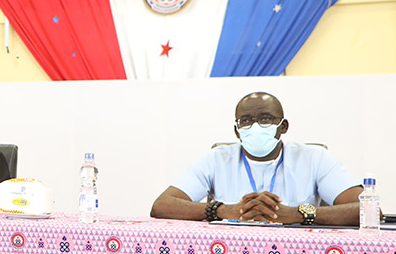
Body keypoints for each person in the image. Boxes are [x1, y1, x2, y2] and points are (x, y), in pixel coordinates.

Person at [151, 92, 361, 225]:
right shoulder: (216, 159)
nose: (256, 127)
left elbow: (366, 211)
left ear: (284, 126)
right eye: (246, 121)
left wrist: (299, 214)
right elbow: (161, 206)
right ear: (237, 131)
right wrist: (224, 210)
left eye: (265, 119)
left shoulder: (315, 158)